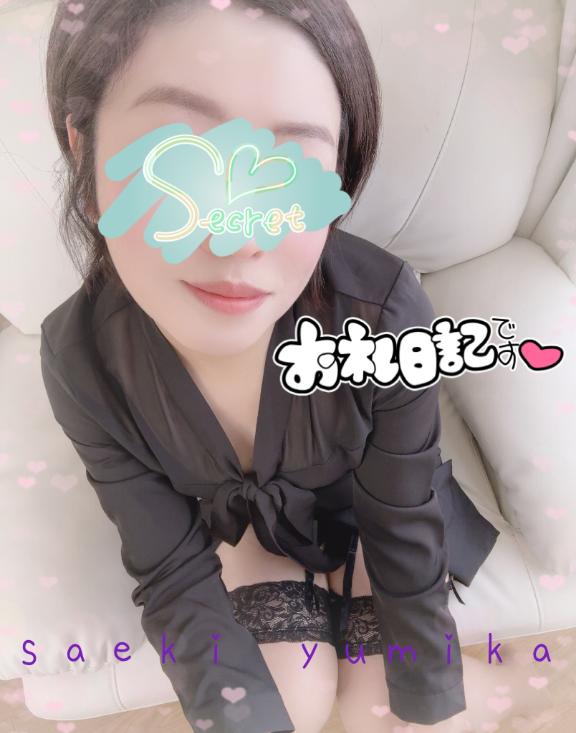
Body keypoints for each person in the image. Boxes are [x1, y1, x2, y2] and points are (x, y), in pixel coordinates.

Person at [41, 1, 499, 732]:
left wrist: (431, 705)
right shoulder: (82, 360)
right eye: (177, 158)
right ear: (83, 148)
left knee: (391, 709)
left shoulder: (383, 313)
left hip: (380, 510)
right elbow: (169, 567)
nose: (237, 238)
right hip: (250, 532)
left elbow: (402, 515)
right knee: (266, 709)